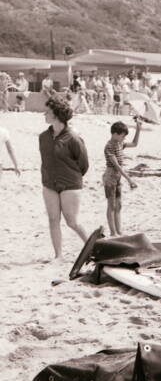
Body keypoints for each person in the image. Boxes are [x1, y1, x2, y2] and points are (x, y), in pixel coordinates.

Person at [39, 96, 89, 260]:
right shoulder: (43, 137)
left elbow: (84, 164)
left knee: (72, 222)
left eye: (47, 112)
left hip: (70, 185)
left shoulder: (73, 138)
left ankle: (92, 247)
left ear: (57, 115)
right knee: (53, 220)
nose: (44, 114)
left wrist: (70, 177)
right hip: (49, 184)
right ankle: (58, 255)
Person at [103, 118, 142, 236]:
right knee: (111, 205)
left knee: (118, 205)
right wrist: (129, 179)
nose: (124, 138)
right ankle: (113, 232)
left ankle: (119, 231)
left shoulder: (119, 143)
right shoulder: (109, 146)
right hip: (110, 176)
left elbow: (135, 144)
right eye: (123, 136)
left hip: (118, 177)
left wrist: (138, 129)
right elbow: (116, 166)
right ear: (115, 134)